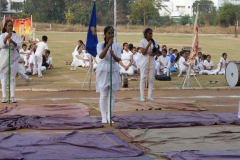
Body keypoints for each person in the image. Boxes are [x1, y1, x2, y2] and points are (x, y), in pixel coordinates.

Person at [96, 26, 121, 124]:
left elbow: (118, 59)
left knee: (112, 95)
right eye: (109, 33)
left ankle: (110, 115)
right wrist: (108, 46)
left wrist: (113, 54)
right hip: (103, 69)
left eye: (112, 33)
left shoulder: (117, 45)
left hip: (113, 69)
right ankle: (103, 116)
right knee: (103, 94)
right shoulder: (100, 44)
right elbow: (101, 56)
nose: (111, 35)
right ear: (105, 34)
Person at [0, 20, 21, 103]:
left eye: (11, 26)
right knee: (4, 78)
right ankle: (4, 96)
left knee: (12, 77)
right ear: (5, 27)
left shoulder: (16, 36)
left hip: (13, 57)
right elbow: (1, 45)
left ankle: (12, 96)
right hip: (4, 56)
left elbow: (18, 46)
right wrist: (6, 37)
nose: (10, 27)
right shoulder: (2, 35)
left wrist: (12, 41)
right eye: (8, 26)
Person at [139, 28, 158, 101]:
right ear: (146, 34)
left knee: (151, 78)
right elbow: (143, 52)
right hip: (144, 61)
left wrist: (152, 54)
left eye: (151, 33)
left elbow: (156, 52)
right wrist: (148, 45)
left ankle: (149, 95)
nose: (151, 35)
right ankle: (142, 96)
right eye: (149, 33)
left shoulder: (154, 41)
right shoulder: (142, 41)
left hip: (152, 61)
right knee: (143, 78)